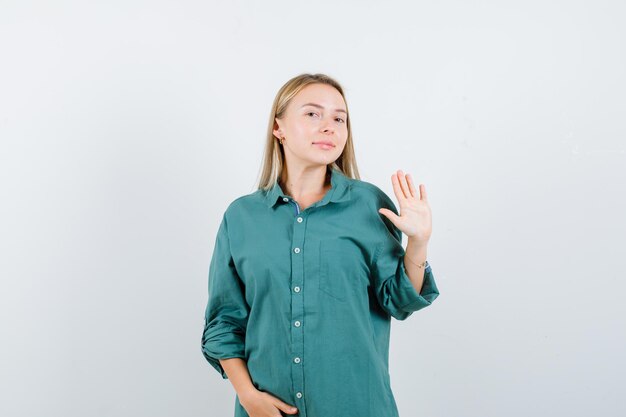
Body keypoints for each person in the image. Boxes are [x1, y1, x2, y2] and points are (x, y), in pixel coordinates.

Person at [201, 73, 440, 417]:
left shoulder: (369, 205)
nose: (329, 126)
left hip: (358, 406)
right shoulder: (241, 217)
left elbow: (400, 301)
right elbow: (224, 320)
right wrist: (248, 396)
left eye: (339, 118)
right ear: (278, 127)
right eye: (313, 114)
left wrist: (418, 243)